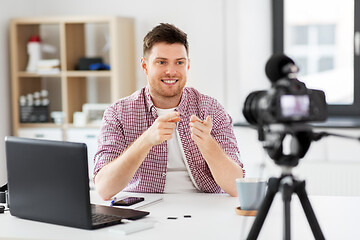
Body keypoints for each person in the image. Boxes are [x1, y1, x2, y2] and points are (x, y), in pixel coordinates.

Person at [93, 23, 244, 200]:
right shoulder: (117, 113)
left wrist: (207, 143)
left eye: (179, 62)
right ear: (145, 66)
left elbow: (235, 187)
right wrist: (146, 140)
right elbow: (104, 189)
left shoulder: (210, 109)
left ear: (187, 66)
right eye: (161, 62)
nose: (171, 71)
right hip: (142, 208)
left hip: (205, 207)